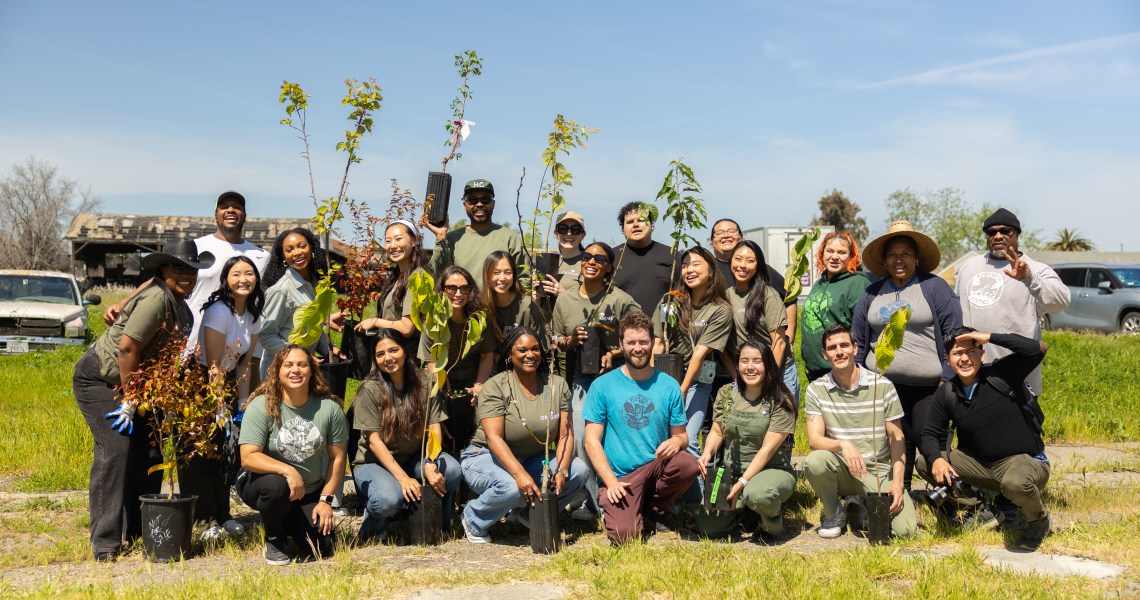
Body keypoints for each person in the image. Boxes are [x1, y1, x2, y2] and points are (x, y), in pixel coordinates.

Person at [75, 239, 213, 561]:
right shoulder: (155, 299)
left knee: (149, 451)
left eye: (191, 270)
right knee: (117, 448)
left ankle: (138, 532)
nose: (186, 275)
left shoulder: (185, 313)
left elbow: (164, 361)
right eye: (178, 268)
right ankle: (105, 543)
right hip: (100, 378)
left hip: (134, 385)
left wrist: (162, 401)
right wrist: (130, 400)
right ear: (163, 270)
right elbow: (127, 349)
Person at [918, 327, 1052, 550]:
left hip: (1023, 461)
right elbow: (929, 433)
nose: (964, 358)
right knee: (926, 462)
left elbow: (1038, 349)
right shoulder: (948, 392)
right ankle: (981, 509)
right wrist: (937, 459)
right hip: (981, 466)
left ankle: (1038, 521)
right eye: (957, 353)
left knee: (1015, 483)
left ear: (982, 354)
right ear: (948, 360)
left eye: (971, 351)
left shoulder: (1001, 373)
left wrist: (990, 336)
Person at [852, 220, 962, 489]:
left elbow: (954, 334)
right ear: (884, 260)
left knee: (928, 440)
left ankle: (945, 498)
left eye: (905, 254)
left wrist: (946, 378)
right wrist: (858, 378)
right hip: (884, 384)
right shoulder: (872, 292)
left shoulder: (934, 288)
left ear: (916, 258)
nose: (898, 260)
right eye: (892, 255)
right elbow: (859, 340)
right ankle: (902, 495)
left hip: (928, 386)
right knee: (894, 442)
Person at [459, 327, 589, 543]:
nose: (530, 355)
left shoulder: (556, 384)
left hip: (533, 459)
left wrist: (561, 470)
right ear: (510, 355)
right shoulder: (496, 386)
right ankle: (473, 518)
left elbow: (565, 435)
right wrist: (519, 475)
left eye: (535, 349)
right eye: (522, 350)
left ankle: (528, 514)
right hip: (485, 456)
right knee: (509, 487)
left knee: (578, 470)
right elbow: (494, 439)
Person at [102, 191, 271, 354]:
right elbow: (160, 280)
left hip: (239, 346)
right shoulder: (196, 247)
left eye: (237, 207)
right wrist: (122, 304)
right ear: (216, 214)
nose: (231, 210)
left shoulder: (261, 256)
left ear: (245, 214)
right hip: (192, 337)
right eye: (224, 206)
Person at [583, 311, 699, 544]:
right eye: (632, 342)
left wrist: (677, 442)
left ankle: (654, 508)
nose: (638, 348)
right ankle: (627, 508)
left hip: (654, 468)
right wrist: (611, 481)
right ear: (621, 345)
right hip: (621, 477)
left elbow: (682, 436)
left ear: (653, 342)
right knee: (625, 537)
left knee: (687, 464)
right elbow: (591, 441)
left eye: (643, 342)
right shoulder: (602, 385)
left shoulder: (669, 386)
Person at [549, 241, 641, 519]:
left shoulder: (619, 299)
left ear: (609, 267)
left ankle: (618, 496)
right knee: (579, 438)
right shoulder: (565, 299)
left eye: (599, 259)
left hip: (616, 377)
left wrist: (614, 352)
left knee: (615, 439)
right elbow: (554, 341)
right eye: (587, 256)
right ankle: (589, 501)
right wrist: (569, 340)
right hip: (581, 379)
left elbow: (642, 335)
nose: (591, 261)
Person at [237, 344, 348, 565]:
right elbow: (248, 457)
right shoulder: (262, 405)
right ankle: (274, 537)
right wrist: (288, 470)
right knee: (278, 486)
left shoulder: (329, 409)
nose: (295, 370)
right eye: (288, 365)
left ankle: (285, 518)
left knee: (322, 547)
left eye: (302, 364)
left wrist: (325, 500)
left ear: (312, 370)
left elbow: (337, 458)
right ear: (277, 371)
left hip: (307, 491)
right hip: (261, 483)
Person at [804, 324, 917, 539]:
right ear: (824, 354)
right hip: (843, 468)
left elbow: (897, 440)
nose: (839, 351)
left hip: (878, 470)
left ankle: (864, 501)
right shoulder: (816, 389)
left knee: (906, 531)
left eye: (844, 345)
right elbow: (814, 439)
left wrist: (898, 484)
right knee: (815, 461)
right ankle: (835, 513)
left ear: (855, 348)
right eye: (832, 348)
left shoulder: (883, 386)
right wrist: (843, 445)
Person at [182, 255, 265, 541]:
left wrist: (242, 404)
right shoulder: (219, 311)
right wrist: (218, 406)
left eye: (249, 274)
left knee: (226, 454)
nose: (244, 279)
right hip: (201, 382)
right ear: (226, 280)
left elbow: (245, 363)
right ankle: (204, 518)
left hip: (227, 383)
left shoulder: (254, 315)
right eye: (236, 274)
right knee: (202, 452)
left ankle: (223, 513)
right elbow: (214, 364)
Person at [352, 329, 461, 541]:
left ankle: (440, 522)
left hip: (414, 457)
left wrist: (430, 461)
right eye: (380, 354)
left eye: (394, 350)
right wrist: (402, 479)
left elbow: (434, 425)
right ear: (375, 358)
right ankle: (373, 527)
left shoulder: (426, 381)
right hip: (374, 462)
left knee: (452, 470)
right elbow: (373, 441)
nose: (388, 358)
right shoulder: (370, 388)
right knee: (387, 498)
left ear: (404, 350)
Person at [954, 209, 1070, 395]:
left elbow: (1061, 302)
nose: (998, 236)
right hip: (971, 369)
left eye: (1005, 231)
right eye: (992, 232)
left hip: (1017, 373)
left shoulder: (1037, 269)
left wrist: (1029, 279)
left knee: (1016, 424)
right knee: (971, 423)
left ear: (1016, 234)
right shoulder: (969, 267)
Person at [696, 340, 797, 539]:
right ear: (737, 364)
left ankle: (770, 523)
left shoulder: (781, 400)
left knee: (759, 494)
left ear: (768, 364)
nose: (750, 367)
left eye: (757, 361)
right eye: (744, 361)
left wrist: (742, 483)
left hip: (770, 470)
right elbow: (717, 431)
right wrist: (707, 453)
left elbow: (767, 450)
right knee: (710, 528)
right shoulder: (726, 393)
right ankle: (749, 512)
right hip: (731, 471)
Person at [651, 246, 732, 459]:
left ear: (711, 271)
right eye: (685, 265)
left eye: (696, 264)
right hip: (665, 376)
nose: (689, 270)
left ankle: (698, 491)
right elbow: (658, 343)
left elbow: (700, 352)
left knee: (687, 439)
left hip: (696, 381)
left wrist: (683, 389)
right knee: (660, 437)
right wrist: (647, 381)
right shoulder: (670, 301)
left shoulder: (720, 309)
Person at [419, 265, 496, 456]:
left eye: (464, 288)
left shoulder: (479, 318)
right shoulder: (433, 320)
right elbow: (431, 365)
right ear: (442, 290)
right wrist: (441, 398)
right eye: (451, 288)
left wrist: (479, 385)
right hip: (443, 385)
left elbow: (487, 355)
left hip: (473, 382)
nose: (458, 293)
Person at [708, 218, 797, 370]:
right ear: (711, 241)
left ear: (741, 236)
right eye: (720, 232)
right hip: (731, 367)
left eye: (731, 231)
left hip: (772, 365)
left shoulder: (765, 278)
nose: (726, 235)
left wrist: (787, 338)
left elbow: (790, 298)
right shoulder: (708, 271)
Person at [258, 228, 334, 381]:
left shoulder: (317, 284)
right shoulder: (281, 290)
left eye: (301, 246)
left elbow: (312, 327)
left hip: (304, 369)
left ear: (312, 249)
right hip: (279, 371)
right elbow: (266, 334)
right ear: (283, 257)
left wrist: (331, 349)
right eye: (289, 250)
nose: (297, 252)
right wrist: (297, 356)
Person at [425, 178, 528, 287]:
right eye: (472, 200)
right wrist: (440, 237)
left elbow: (524, 280)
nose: (479, 204)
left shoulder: (509, 238)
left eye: (485, 199)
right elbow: (436, 277)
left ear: (493, 204)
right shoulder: (450, 239)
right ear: (465, 205)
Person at [801, 231, 870, 383]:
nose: (834, 256)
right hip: (816, 372)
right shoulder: (821, 282)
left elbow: (861, 330)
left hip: (840, 372)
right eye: (830, 251)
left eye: (841, 252)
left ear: (851, 256)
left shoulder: (857, 283)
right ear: (822, 252)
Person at [724, 240, 790, 393]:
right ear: (730, 261)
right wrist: (737, 377)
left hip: (777, 372)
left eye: (750, 260)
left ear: (758, 265)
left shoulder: (768, 295)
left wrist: (767, 378)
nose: (743, 265)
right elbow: (723, 347)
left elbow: (779, 343)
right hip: (746, 374)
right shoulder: (725, 297)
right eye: (738, 259)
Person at [354, 219, 427, 344]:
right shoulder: (397, 276)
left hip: (407, 355)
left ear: (414, 241)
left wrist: (375, 322)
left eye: (398, 239)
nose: (392, 245)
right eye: (388, 241)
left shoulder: (417, 277)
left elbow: (406, 328)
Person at [611, 201, 679, 320]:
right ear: (622, 230)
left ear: (651, 226)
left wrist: (663, 329)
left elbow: (678, 296)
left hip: (663, 332)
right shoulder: (612, 257)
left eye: (641, 220)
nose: (636, 225)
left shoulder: (672, 255)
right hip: (622, 333)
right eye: (630, 222)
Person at [483, 250, 546, 353]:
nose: (502, 278)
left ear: (514, 275)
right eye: (496, 273)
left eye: (508, 272)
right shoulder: (482, 308)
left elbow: (541, 346)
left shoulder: (527, 305)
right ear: (487, 275)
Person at [538, 210, 588, 296]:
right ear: (556, 233)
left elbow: (590, 303)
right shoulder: (546, 261)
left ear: (582, 235)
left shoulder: (588, 263)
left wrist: (562, 295)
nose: (569, 233)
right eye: (563, 229)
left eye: (575, 229)